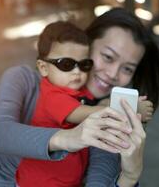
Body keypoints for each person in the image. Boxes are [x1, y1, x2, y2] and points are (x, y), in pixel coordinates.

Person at [0, 7, 159, 187]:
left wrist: (129, 176)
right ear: (85, 46)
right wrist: (72, 138)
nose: (113, 74)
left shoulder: (108, 118)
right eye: (107, 57)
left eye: (127, 69)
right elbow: (0, 135)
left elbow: (100, 181)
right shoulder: (25, 81)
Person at [16, 21, 105, 186]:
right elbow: (82, 113)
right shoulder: (52, 96)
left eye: (84, 64)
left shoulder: (75, 89)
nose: (77, 72)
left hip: (66, 179)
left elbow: (95, 99)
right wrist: (123, 106)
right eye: (67, 64)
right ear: (43, 68)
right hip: (42, 182)